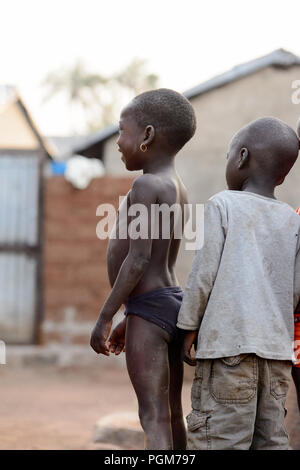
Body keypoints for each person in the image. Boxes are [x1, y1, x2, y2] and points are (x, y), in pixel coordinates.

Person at [177, 117, 300, 450]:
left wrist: (188, 325)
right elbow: (296, 292)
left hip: (228, 350)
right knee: (271, 440)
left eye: (229, 156)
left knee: (220, 439)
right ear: (283, 174)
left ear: (242, 158)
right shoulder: (292, 219)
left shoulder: (223, 205)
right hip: (277, 356)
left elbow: (203, 274)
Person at [90, 88, 196, 450]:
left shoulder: (146, 185)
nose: (118, 141)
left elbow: (137, 259)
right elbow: (157, 262)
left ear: (147, 136)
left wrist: (105, 316)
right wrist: (129, 316)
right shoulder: (178, 187)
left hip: (149, 311)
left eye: (122, 131)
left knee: (152, 415)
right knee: (170, 410)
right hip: (169, 303)